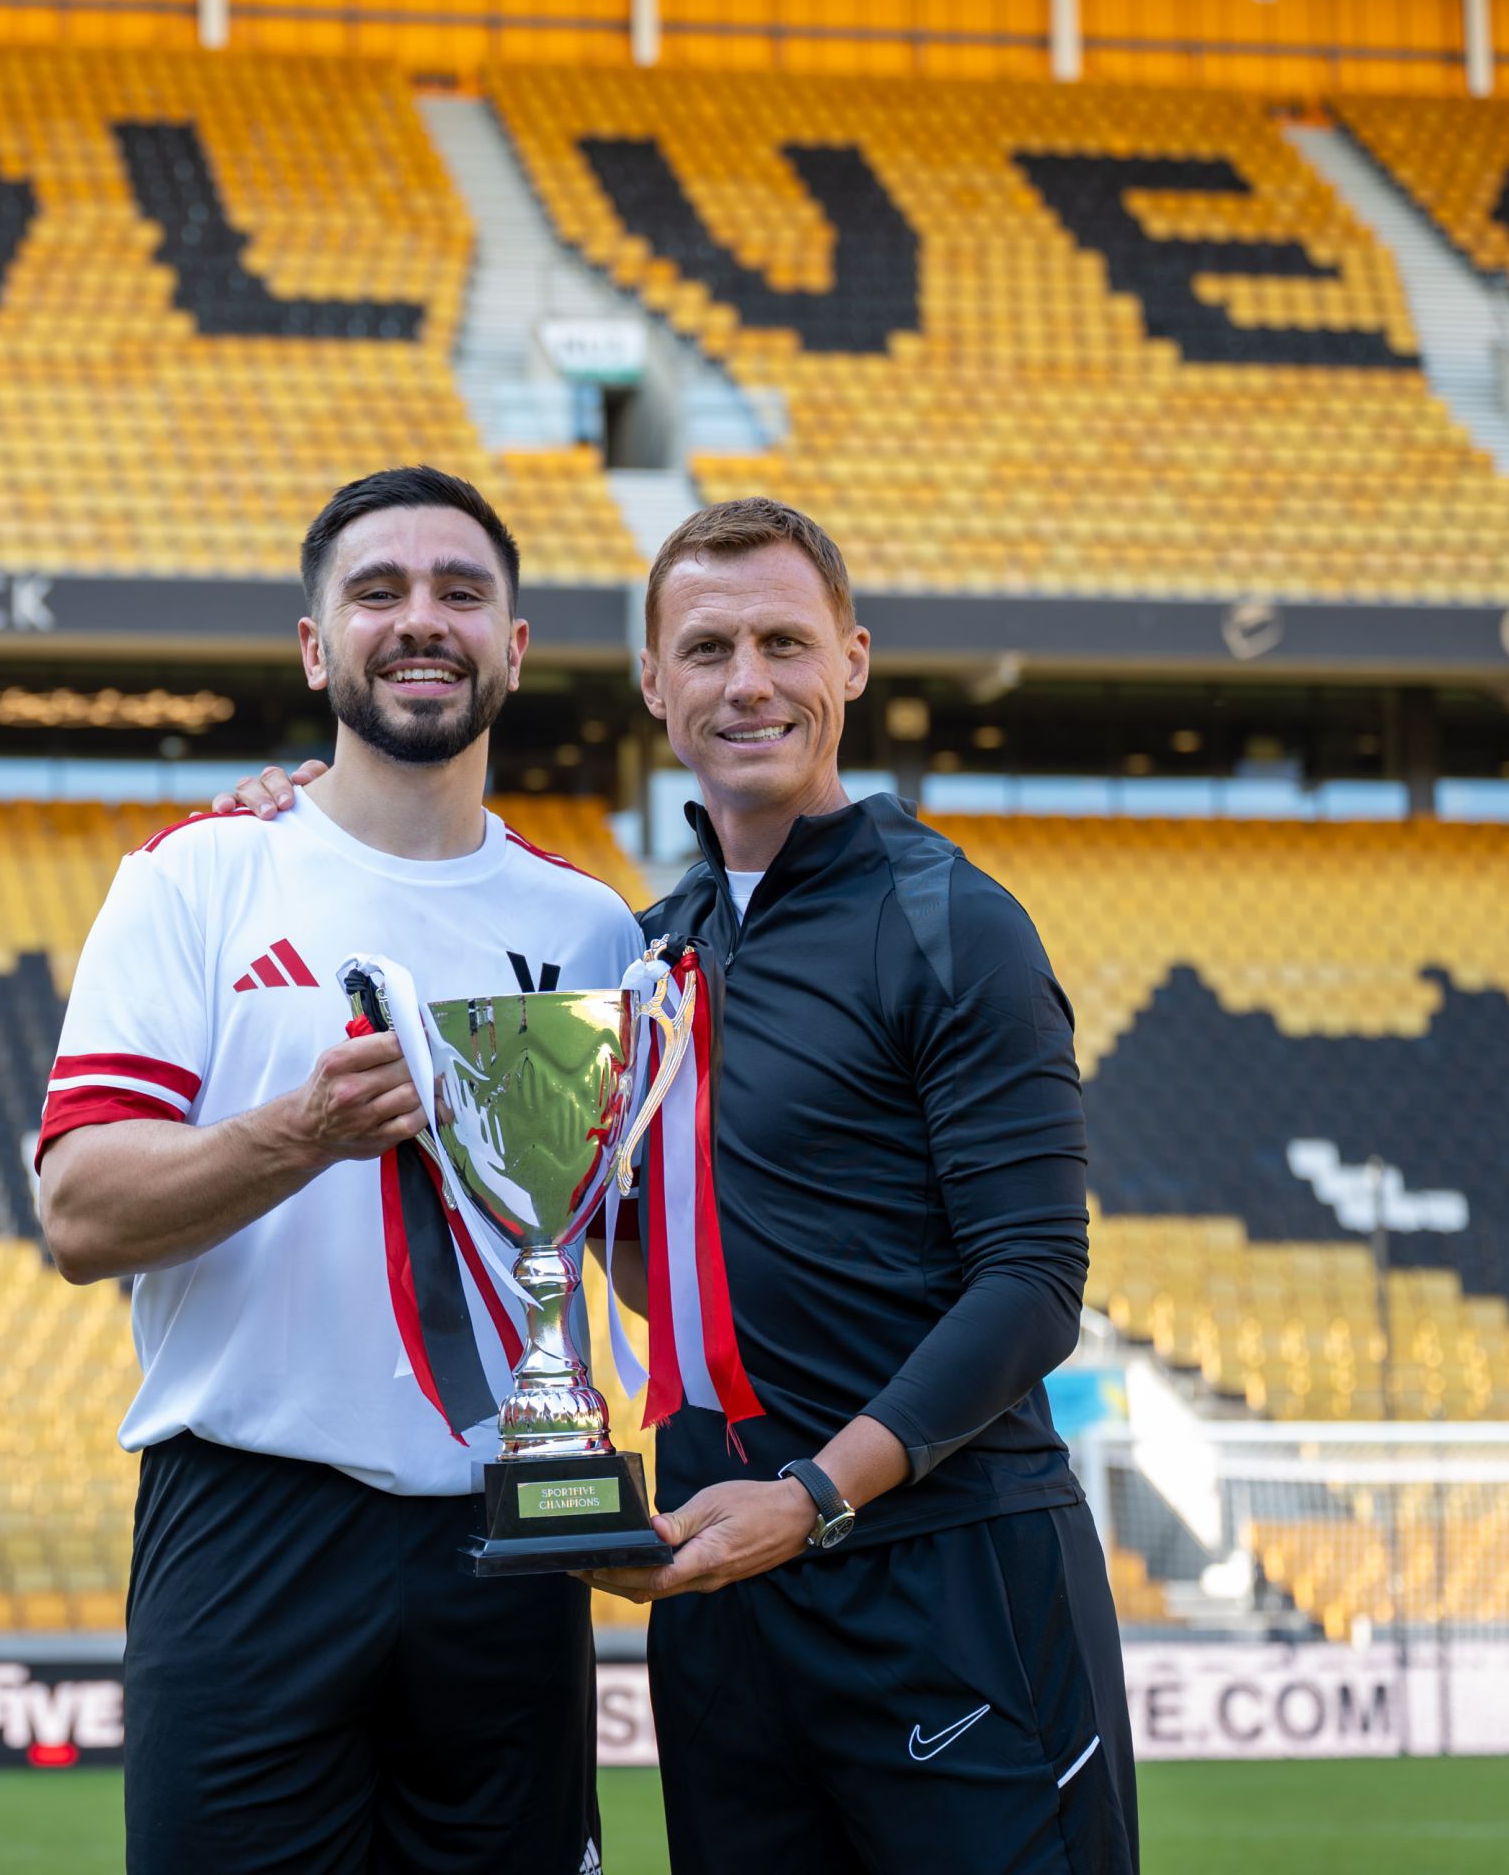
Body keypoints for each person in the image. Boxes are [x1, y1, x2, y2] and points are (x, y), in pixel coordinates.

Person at [221, 497, 1136, 1875]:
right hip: (716, 1589)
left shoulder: (957, 926)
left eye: (784, 643)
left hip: (946, 1575)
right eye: (707, 650)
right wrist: (294, 821)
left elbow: (1034, 1283)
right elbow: (645, 1252)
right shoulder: (641, 957)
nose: (747, 682)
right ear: (655, 684)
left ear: (852, 662)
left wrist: (815, 1494)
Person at [39, 464, 642, 1875]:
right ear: (317, 649)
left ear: (514, 648)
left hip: (514, 1531)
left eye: (460, 593)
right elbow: (79, 1213)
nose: (421, 619)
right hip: (250, 1524)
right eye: (379, 592)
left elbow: (633, 1250)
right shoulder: (194, 878)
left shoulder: (595, 929)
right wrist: (300, 1133)